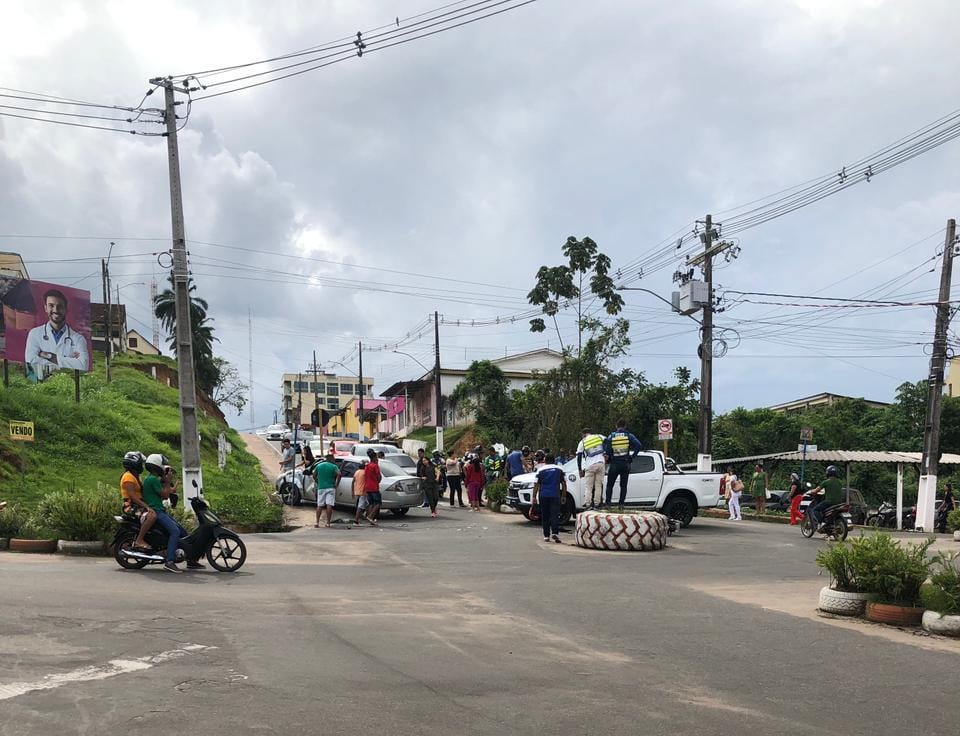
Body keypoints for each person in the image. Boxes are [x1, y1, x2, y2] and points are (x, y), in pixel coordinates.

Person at [141, 454, 194, 573]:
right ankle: (169, 561)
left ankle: (190, 559)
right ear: (157, 465)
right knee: (175, 531)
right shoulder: (152, 479)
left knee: (182, 531)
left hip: (160, 510)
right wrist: (168, 481)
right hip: (156, 511)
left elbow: (167, 491)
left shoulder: (153, 479)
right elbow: (165, 495)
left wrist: (170, 484)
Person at [24, 288, 89, 375]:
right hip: (40, 382)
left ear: (66, 309)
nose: (55, 310)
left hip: (69, 383)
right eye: (51, 305)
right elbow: (30, 360)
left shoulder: (78, 339)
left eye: (60, 306)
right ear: (45, 308)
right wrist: (69, 360)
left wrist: (49, 356)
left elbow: (83, 365)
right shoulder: (34, 334)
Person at [602, 419, 642, 510]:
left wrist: (609, 457)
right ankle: (621, 504)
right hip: (625, 463)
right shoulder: (629, 436)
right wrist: (632, 457)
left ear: (616, 426)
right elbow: (639, 445)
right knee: (623, 485)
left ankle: (608, 504)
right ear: (625, 426)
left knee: (610, 484)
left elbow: (607, 451)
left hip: (615, 463)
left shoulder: (611, 436)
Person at [120, 450, 156, 552]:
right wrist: (146, 507)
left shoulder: (135, 476)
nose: (142, 466)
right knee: (151, 515)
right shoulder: (128, 477)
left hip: (137, 505)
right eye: (140, 464)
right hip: (130, 507)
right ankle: (139, 540)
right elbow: (132, 496)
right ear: (134, 464)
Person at [533, 452, 567, 544]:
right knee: (554, 514)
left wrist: (534, 497)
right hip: (555, 495)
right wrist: (563, 495)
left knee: (545, 516)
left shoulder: (540, 470)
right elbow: (563, 483)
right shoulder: (559, 469)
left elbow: (536, 484)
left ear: (545, 460)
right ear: (554, 460)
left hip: (543, 495)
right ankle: (555, 532)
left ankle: (546, 536)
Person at [576, 428, 606, 509]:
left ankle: (588, 504)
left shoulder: (582, 442)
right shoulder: (599, 436)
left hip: (590, 465)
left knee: (588, 486)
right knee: (598, 485)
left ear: (583, 434)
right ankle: (597, 504)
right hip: (601, 463)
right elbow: (608, 441)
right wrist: (606, 453)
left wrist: (580, 469)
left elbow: (579, 456)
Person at [809, 465, 843, 530]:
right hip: (839, 503)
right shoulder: (839, 482)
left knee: (815, 510)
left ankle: (821, 522)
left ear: (827, 473)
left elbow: (816, 491)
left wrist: (811, 491)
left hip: (829, 502)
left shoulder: (826, 482)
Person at [313, 451, 341, 529]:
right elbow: (339, 474)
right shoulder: (334, 466)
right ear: (331, 459)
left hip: (321, 487)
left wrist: (318, 481)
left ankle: (317, 522)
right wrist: (336, 483)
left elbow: (314, 475)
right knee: (329, 505)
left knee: (319, 505)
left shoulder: (319, 466)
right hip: (331, 487)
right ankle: (328, 523)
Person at [417, 450, 440, 518]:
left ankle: (434, 507)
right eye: (423, 461)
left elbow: (438, 471)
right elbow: (420, 475)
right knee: (430, 498)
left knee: (436, 497)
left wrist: (437, 477)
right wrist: (422, 477)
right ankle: (433, 511)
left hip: (434, 483)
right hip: (427, 484)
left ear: (428, 460)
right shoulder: (422, 468)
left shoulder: (433, 466)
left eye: (425, 460)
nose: (424, 462)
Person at [363, 449, 383, 525]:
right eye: (376, 457)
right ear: (374, 457)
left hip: (368, 486)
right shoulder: (375, 466)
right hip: (374, 487)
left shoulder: (367, 465)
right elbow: (379, 477)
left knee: (371, 503)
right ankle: (371, 517)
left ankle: (369, 516)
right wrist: (378, 480)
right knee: (378, 503)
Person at [353, 459, 368, 525]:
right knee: (361, 506)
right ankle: (356, 521)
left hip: (357, 491)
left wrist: (352, 491)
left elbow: (353, 481)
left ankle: (362, 516)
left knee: (365, 504)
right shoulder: (365, 472)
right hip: (363, 491)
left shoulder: (357, 472)